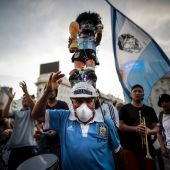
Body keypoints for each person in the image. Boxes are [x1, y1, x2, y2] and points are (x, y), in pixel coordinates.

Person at [32, 71, 125, 170]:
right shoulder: (64, 117)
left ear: (94, 102)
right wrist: (47, 92)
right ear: (72, 102)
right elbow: (37, 115)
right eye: (79, 101)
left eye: (89, 101)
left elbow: (119, 152)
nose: (84, 106)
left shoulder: (106, 122)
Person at [119, 84, 159, 170]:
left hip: (147, 150)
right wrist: (135, 129)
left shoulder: (150, 110)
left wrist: (149, 131)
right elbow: (120, 126)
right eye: (135, 91)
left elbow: (157, 128)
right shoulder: (124, 109)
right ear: (131, 94)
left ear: (143, 95)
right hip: (129, 149)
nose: (137, 93)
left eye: (140, 91)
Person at [2, 81, 38, 170]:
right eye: (23, 98)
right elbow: (5, 114)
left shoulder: (32, 112)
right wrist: (10, 100)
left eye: (27, 98)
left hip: (28, 147)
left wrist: (26, 92)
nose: (25, 99)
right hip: (15, 148)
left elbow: (34, 107)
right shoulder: (17, 112)